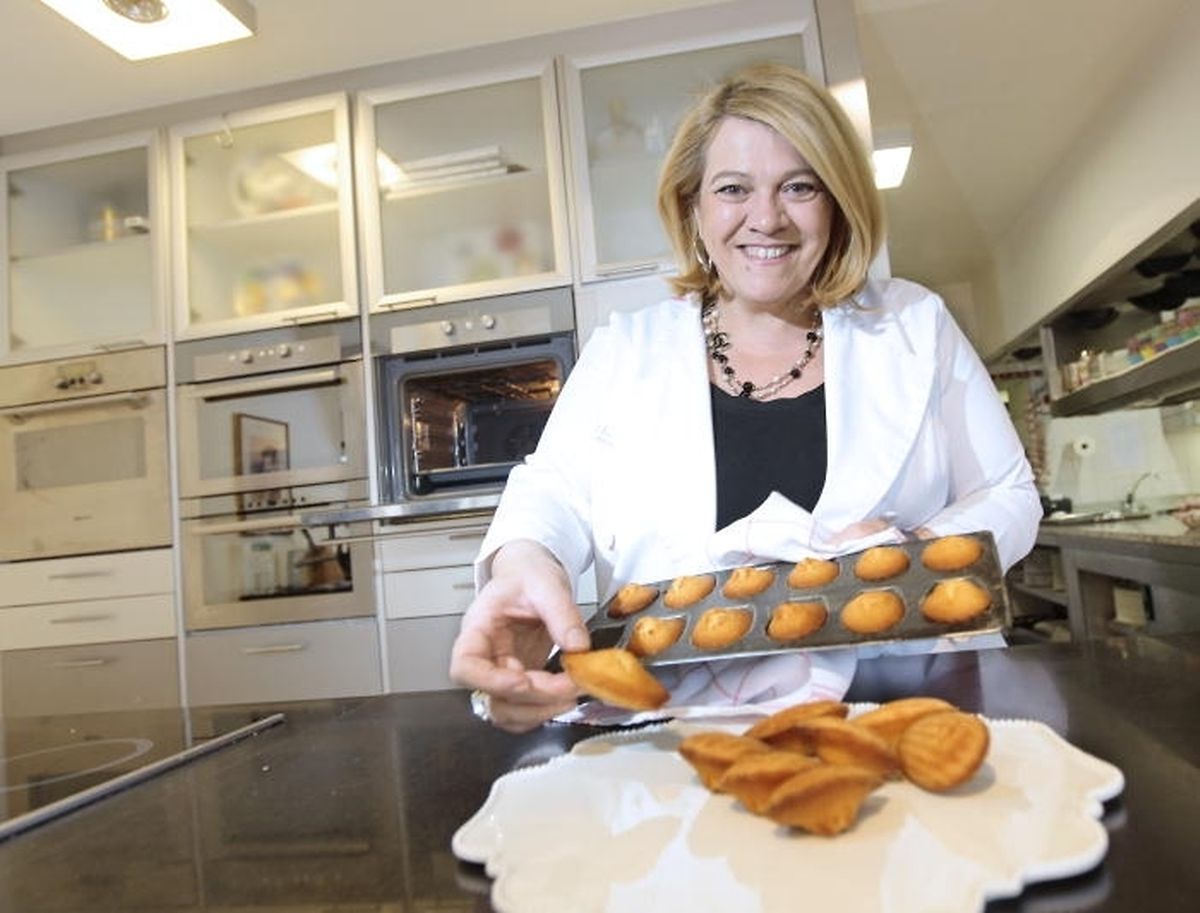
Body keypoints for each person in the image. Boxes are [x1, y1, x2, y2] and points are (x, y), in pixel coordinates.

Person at [449, 62, 1040, 732]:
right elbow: (553, 491)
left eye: (799, 187)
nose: (767, 218)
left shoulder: (913, 324)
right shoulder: (625, 350)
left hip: (901, 707)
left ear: (837, 201)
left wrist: (910, 553)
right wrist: (522, 564)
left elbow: (1009, 492)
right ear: (693, 208)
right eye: (733, 188)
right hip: (676, 729)